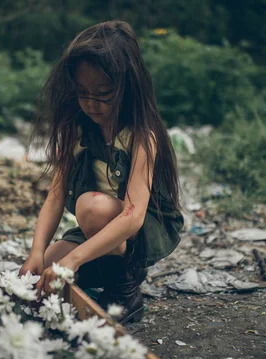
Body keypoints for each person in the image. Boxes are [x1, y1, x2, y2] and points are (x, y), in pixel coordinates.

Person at [19, 20, 184, 324]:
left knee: (90, 208)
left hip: (140, 229)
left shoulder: (141, 135)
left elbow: (133, 216)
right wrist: (36, 252)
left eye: (103, 94)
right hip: (98, 224)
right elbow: (55, 199)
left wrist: (74, 260)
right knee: (47, 265)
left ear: (126, 88)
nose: (92, 103)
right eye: (83, 93)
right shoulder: (77, 130)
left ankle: (125, 294)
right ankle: (99, 275)